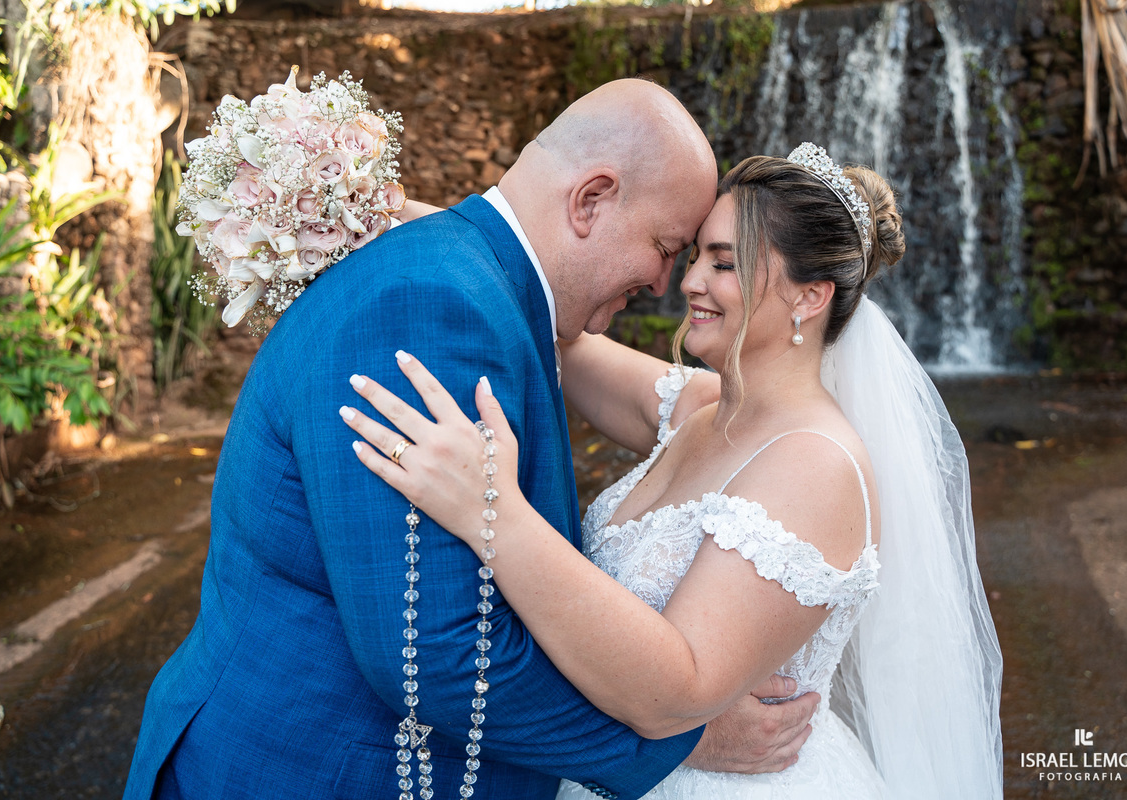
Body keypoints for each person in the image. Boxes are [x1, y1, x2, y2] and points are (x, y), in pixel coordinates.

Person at [124, 80, 821, 800]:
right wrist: (677, 742)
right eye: (665, 247)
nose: (663, 283)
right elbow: (437, 651)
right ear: (590, 200)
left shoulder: (465, 278)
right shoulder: (433, 305)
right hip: (305, 769)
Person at [341, 146, 1005, 798]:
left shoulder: (816, 464)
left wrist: (494, 512)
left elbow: (679, 688)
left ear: (810, 296)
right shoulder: (702, 407)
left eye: (725, 262)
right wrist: (380, 210)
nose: (687, 284)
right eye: (693, 257)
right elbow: (551, 317)